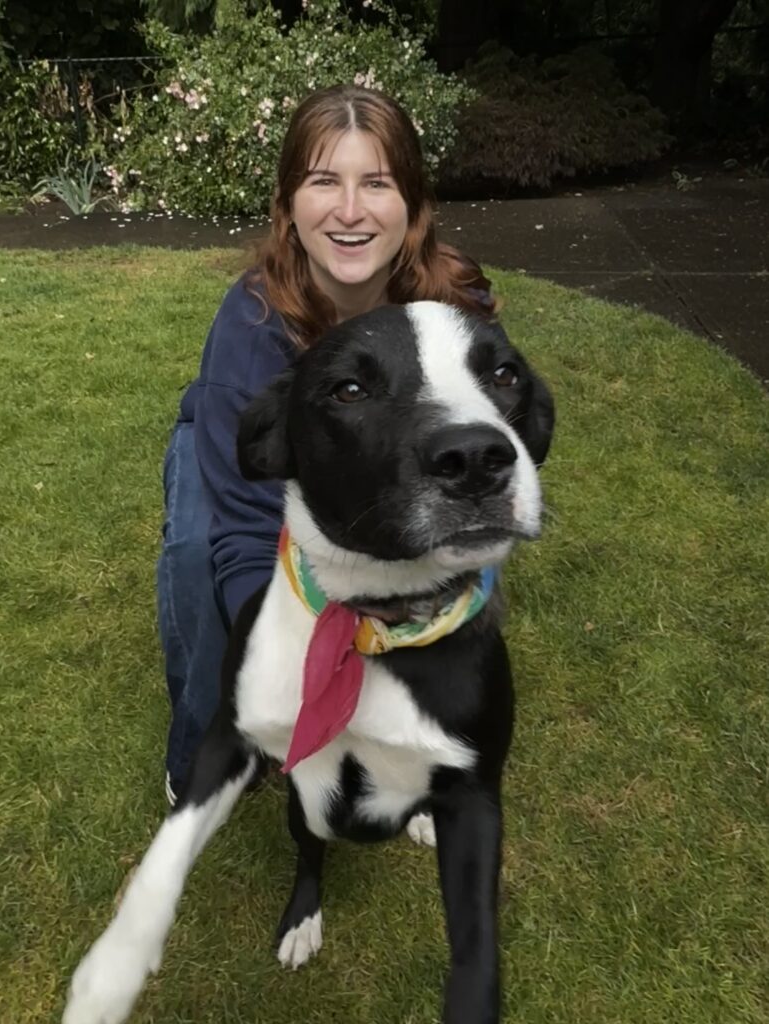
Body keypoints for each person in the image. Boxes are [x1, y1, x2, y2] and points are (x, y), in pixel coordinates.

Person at [156, 84, 496, 804]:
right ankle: (200, 748)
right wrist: (288, 663)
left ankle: (413, 744)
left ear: (410, 205)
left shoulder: (455, 309)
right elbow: (250, 526)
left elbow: (479, 470)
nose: (349, 211)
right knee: (196, 559)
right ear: (287, 207)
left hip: (370, 462)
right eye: (323, 182)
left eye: (375, 182)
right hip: (240, 452)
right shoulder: (250, 330)